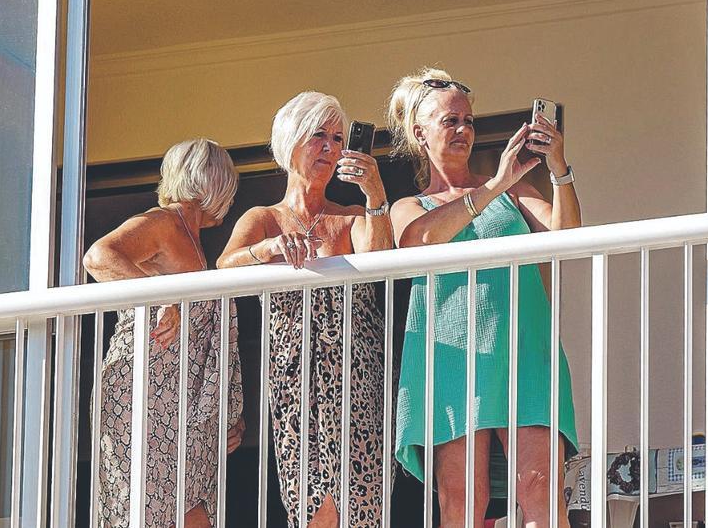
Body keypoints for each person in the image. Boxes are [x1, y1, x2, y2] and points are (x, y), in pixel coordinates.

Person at [387, 68, 580, 527]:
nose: (463, 130)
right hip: (452, 355)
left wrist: (557, 167)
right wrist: (492, 185)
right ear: (420, 133)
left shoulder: (517, 191)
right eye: (450, 120)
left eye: (469, 121)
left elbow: (567, 236)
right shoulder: (409, 206)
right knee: (461, 499)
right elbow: (418, 242)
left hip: (524, 348)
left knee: (540, 488)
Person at [217, 91, 392, 527]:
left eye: (337, 138)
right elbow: (223, 265)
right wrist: (268, 248)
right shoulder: (264, 218)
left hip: (359, 377)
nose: (331, 149)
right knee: (311, 504)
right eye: (319, 136)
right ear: (290, 141)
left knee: (362, 503)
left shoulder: (352, 216)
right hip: (296, 378)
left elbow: (380, 256)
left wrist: (374, 192)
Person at [84, 138, 245, 528]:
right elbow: (99, 257)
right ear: (218, 185)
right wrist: (156, 300)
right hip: (144, 392)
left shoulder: (193, 240)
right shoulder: (162, 221)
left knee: (189, 511)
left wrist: (223, 416)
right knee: (148, 511)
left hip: (180, 402)